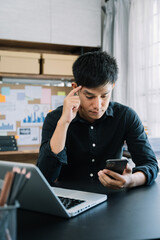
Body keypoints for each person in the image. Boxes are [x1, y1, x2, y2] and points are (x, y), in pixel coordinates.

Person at [37, 51, 159, 190]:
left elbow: (150, 165)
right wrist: (64, 123)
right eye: (89, 96)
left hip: (113, 200)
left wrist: (130, 180)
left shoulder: (125, 116)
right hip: (70, 200)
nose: (97, 105)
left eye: (104, 96)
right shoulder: (55, 119)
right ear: (75, 88)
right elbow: (45, 176)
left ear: (112, 86)